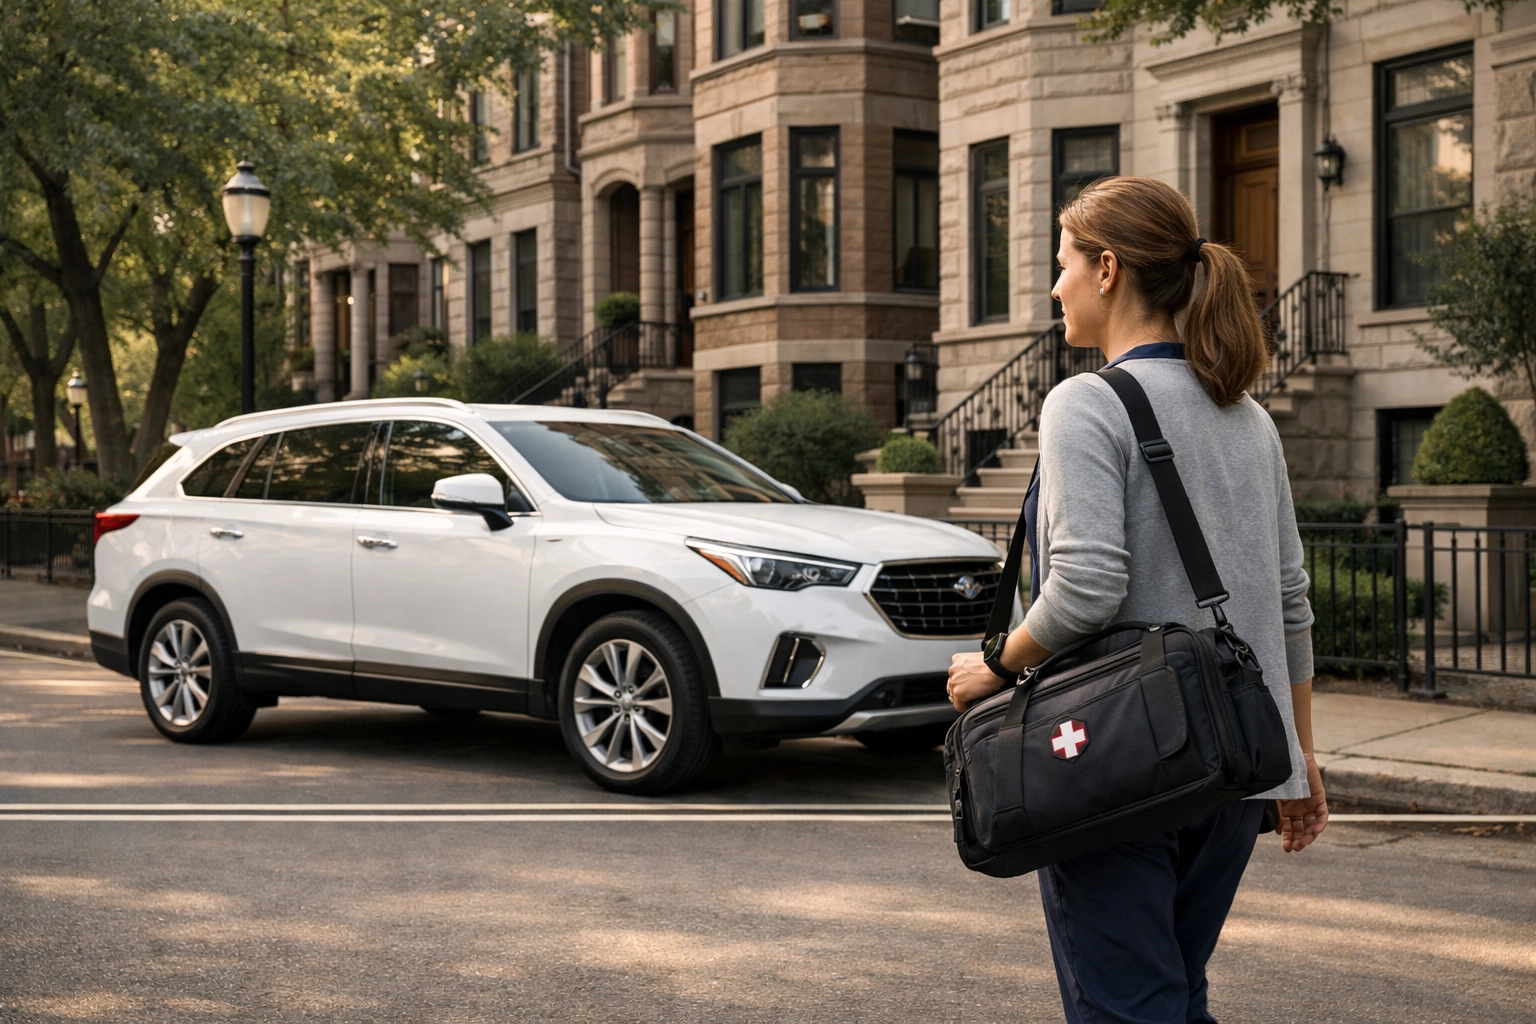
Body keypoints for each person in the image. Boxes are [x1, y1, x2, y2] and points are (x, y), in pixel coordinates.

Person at [945, 175, 1328, 1024]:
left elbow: (1086, 587)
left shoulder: (1085, 402)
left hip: (1118, 760)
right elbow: (1290, 602)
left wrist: (992, 668)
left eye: (1062, 264)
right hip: (1233, 766)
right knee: (1172, 997)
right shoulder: (1247, 416)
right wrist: (1299, 762)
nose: (1055, 288)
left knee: (1129, 1009)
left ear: (1108, 268)